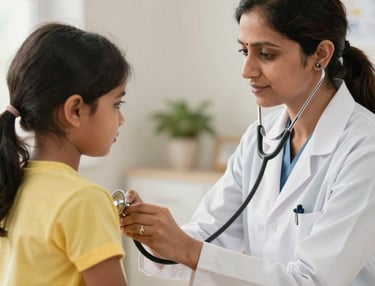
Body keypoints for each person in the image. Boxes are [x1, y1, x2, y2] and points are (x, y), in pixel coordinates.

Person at [121, 0, 375, 285]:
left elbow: (313, 280)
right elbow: (212, 234)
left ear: (321, 54)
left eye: (266, 54)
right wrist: (155, 234)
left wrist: (186, 248)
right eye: (244, 51)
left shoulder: (365, 148)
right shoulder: (259, 138)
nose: (247, 70)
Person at [0, 22, 131, 286]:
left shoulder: (9, 183)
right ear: (74, 110)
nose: (122, 119)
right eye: (116, 104)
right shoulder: (85, 200)